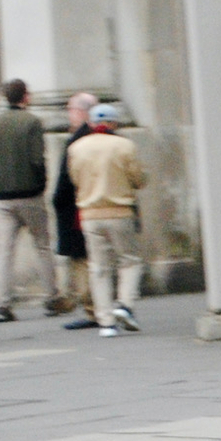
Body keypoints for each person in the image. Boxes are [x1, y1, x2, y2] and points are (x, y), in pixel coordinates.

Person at [66, 102, 146, 338]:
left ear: (91, 123)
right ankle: (124, 305)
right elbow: (139, 178)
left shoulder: (77, 147)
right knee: (129, 261)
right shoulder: (124, 145)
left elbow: (74, 179)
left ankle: (106, 322)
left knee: (99, 268)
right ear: (114, 123)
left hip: (90, 213)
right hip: (119, 210)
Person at [0, 79, 50, 321]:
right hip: (30, 193)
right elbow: (37, 160)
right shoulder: (31, 122)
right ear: (25, 96)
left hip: (2, 198)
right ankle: (52, 296)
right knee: (42, 245)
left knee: (4, 251)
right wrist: (41, 184)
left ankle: (2, 302)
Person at [49, 90, 97, 319]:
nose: (69, 114)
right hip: (94, 205)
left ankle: (92, 309)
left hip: (78, 208)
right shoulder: (106, 136)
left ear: (81, 112)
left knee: (83, 261)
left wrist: (57, 200)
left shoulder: (78, 140)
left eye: (70, 109)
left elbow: (67, 179)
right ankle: (97, 308)